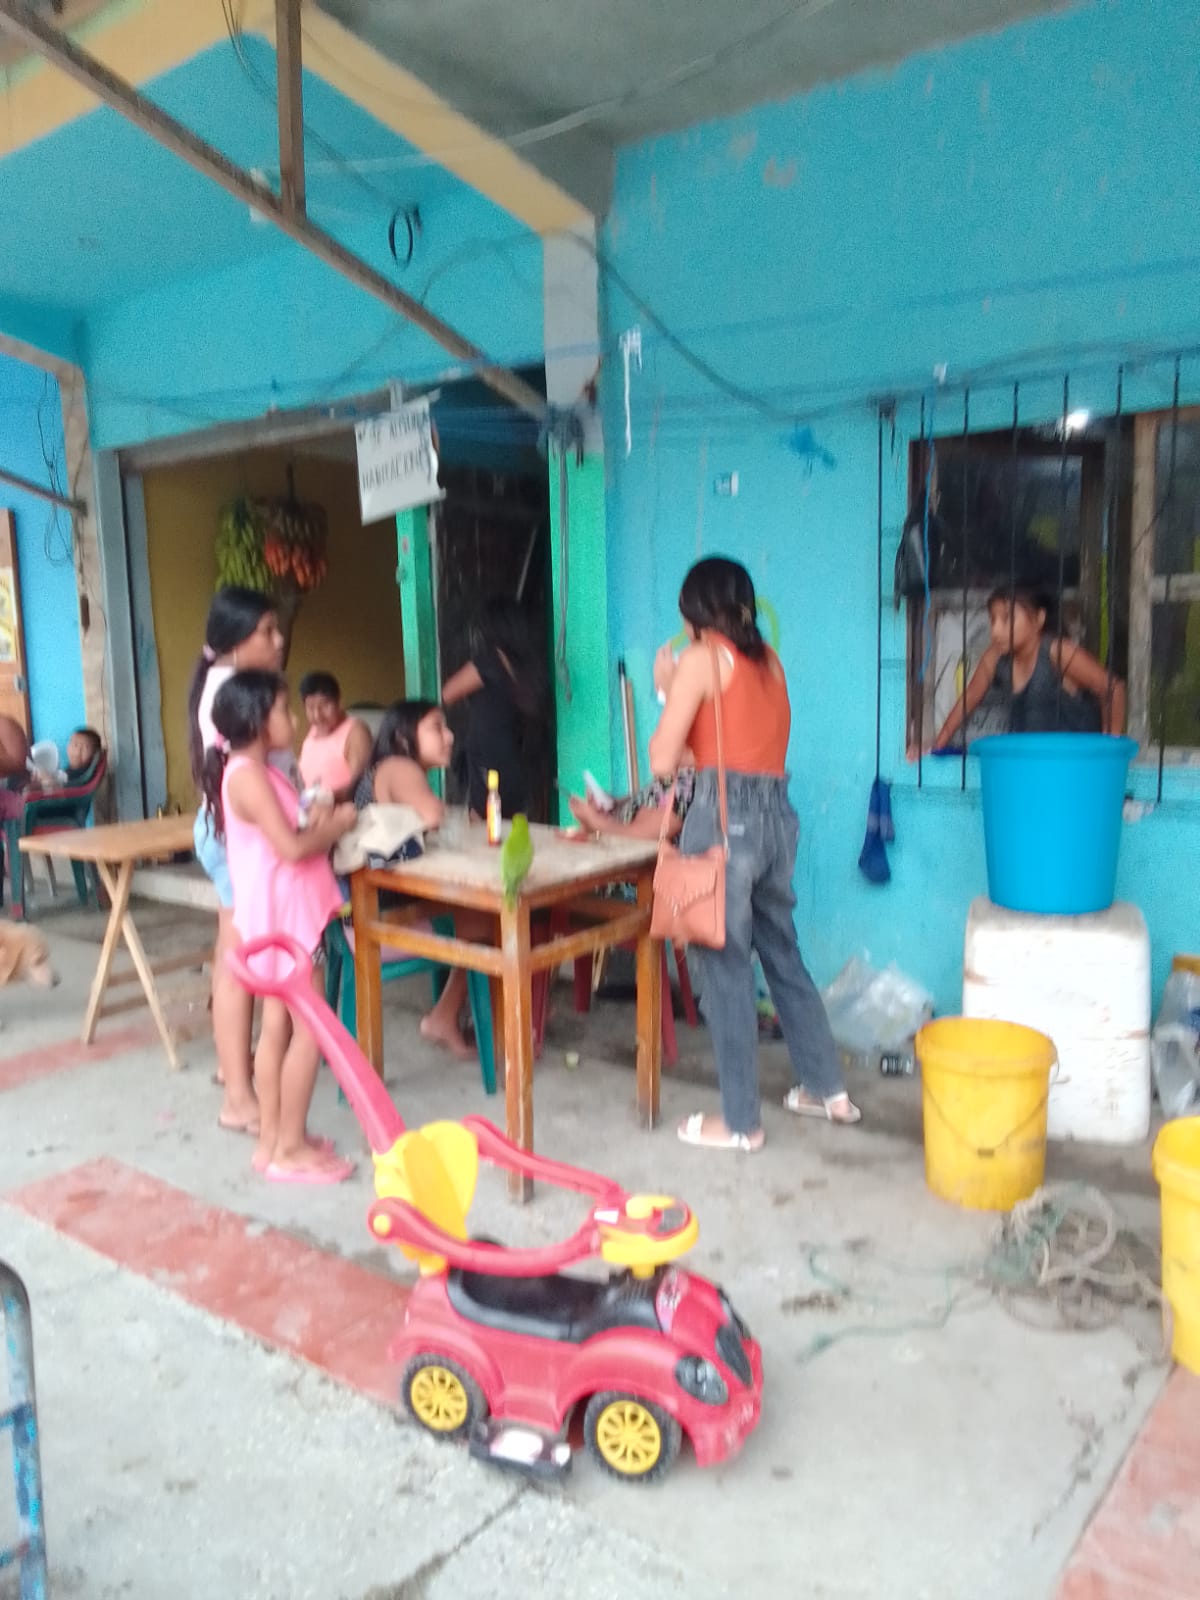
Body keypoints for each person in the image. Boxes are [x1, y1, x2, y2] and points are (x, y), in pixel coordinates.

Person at [648, 555, 859, 1152]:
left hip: (723, 824)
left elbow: (663, 761)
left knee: (726, 970)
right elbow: (726, 749)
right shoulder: (769, 662)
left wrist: (667, 689)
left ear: (694, 612)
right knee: (782, 955)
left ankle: (741, 1123)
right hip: (775, 819)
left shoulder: (700, 659)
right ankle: (828, 1089)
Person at [203, 669, 357, 1183]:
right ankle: (288, 1148)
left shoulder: (258, 771)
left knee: (277, 1028)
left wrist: (316, 817)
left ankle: (273, 1139)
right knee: (310, 1030)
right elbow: (291, 849)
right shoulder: (247, 777)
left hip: (279, 917)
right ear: (256, 720)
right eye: (283, 709)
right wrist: (337, 826)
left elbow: (284, 834)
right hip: (291, 923)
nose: (292, 718)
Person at [188, 587, 288, 1136]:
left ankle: (234, 1071)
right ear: (234, 640)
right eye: (266, 631)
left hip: (229, 831)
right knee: (236, 964)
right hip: (233, 836)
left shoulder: (229, 683)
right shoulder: (230, 693)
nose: (278, 640)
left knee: (234, 955)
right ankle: (238, 1098)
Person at [357, 699, 490, 1059]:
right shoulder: (400, 766)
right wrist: (449, 815)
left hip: (362, 911)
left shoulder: (384, 769)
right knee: (489, 921)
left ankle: (455, 1014)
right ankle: (450, 1018)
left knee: (477, 912)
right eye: (436, 727)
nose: (449, 736)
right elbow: (432, 816)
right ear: (404, 738)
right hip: (381, 920)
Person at [931, 586, 1126, 750]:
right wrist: (937, 745)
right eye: (992, 620)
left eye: (1007, 619)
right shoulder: (995, 656)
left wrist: (1108, 749)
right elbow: (968, 700)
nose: (996, 630)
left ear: (1039, 619)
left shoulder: (1058, 652)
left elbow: (1114, 689)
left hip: (1074, 763)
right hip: (1030, 763)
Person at [442, 597, 546, 819]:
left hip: (486, 755)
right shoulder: (525, 666)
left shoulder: (489, 661)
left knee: (483, 819)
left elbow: (448, 693)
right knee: (507, 819)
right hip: (513, 757)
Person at [298, 672, 372, 802]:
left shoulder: (356, 731)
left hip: (344, 811)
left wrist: (325, 799)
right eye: (310, 707)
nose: (317, 715)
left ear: (339, 702)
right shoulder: (312, 732)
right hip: (311, 810)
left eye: (324, 706)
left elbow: (360, 784)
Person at [568, 767, 696, 841]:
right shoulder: (668, 781)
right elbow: (639, 805)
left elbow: (637, 841)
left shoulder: (685, 786)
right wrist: (613, 805)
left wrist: (595, 822)